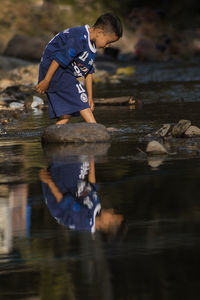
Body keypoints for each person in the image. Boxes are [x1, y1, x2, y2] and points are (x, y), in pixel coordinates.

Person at [36, 13, 123, 124]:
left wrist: (90, 98)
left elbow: (88, 72)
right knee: (81, 99)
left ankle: (55, 133)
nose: (107, 46)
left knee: (66, 114)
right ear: (100, 33)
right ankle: (95, 129)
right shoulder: (79, 38)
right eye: (108, 42)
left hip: (63, 70)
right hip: (53, 69)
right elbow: (59, 58)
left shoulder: (92, 44)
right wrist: (46, 80)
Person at [39, 157, 124, 234]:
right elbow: (92, 186)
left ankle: (58, 162)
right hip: (72, 186)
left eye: (113, 215)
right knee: (86, 155)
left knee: (78, 154)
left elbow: (62, 199)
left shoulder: (83, 220)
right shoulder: (97, 210)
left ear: (105, 225)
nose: (112, 210)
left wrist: (49, 181)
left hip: (57, 189)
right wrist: (92, 159)